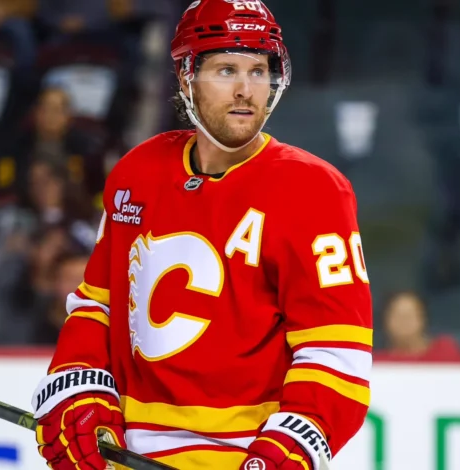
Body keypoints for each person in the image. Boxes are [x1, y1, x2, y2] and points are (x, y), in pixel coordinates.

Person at [31, 1, 373, 469]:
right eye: (227, 70)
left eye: (258, 71)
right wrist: (77, 386)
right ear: (186, 77)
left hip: (241, 456)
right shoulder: (137, 173)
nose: (245, 90)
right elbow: (99, 306)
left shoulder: (313, 190)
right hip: (127, 456)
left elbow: (335, 353)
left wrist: (286, 452)